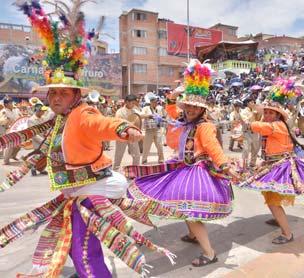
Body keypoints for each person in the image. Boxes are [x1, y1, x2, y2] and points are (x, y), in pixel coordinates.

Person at [0, 1, 179, 276]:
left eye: (64, 93)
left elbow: (101, 123)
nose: (57, 97)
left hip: (93, 189)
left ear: (76, 96)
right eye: (53, 93)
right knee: (74, 240)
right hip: (79, 189)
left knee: (84, 249)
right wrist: (40, 161)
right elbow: (58, 148)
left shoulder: (82, 113)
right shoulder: (60, 118)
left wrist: (122, 129)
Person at [125, 60, 240, 267]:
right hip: (183, 167)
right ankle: (193, 236)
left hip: (197, 171)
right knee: (185, 207)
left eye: (195, 107)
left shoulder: (204, 127)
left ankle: (210, 253)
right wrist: (173, 97)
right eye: (188, 106)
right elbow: (171, 115)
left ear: (202, 109)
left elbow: (213, 147)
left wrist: (225, 166)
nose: (191, 110)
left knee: (190, 210)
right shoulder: (185, 122)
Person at [238, 79, 304, 244]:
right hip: (273, 164)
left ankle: (287, 233)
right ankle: (279, 220)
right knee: (270, 196)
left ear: (277, 115)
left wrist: (249, 117)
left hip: (280, 166)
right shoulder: (275, 124)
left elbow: (255, 126)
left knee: (273, 200)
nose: (267, 115)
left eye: (271, 113)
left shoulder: (275, 126)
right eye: (266, 112)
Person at [113, 94, 142, 170]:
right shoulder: (120, 112)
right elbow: (117, 123)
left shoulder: (135, 111)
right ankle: (115, 171)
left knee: (136, 155)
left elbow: (139, 121)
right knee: (119, 155)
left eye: (134, 103)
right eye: (131, 103)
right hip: (122, 136)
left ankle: (136, 171)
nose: (132, 105)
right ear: (126, 102)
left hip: (132, 136)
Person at [141, 94, 165, 164]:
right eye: (154, 102)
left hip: (157, 129)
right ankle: (144, 159)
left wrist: (161, 119)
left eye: (156, 102)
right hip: (149, 130)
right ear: (150, 102)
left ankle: (161, 159)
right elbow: (141, 115)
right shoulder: (145, 108)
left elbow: (164, 117)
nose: (155, 103)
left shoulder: (160, 108)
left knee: (160, 145)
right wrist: (149, 115)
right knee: (146, 146)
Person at [27, 103, 49, 176]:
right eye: (42, 111)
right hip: (37, 140)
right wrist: (43, 141)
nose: (43, 112)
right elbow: (33, 134)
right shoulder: (31, 120)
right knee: (37, 155)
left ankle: (41, 168)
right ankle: (33, 167)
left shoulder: (43, 118)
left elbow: (46, 127)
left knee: (44, 156)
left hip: (44, 139)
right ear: (37, 111)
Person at [1, 98, 22, 165]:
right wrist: (7, 120)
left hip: (17, 129)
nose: (12, 104)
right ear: (6, 104)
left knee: (19, 144)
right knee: (9, 146)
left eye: (11, 102)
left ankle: (13, 156)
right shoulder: (3, 111)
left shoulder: (16, 110)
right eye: (10, 103)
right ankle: (6, 160)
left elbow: (21, 117)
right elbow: (1, 122)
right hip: (8, 130)